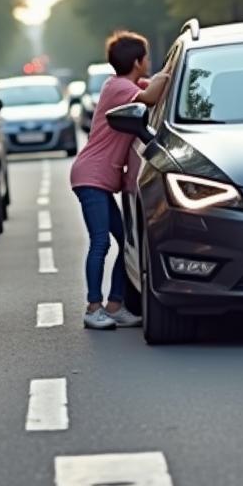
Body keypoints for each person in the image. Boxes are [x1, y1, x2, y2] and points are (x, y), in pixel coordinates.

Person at [69, 31, 171, 330]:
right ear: (138, 61)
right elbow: (152, 95)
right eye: (147, 58)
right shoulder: (118, 88)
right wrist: (169, 69)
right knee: (100, 242)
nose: (149, 63)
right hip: (91, 176)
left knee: (125, 242)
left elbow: (152, 90)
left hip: (99, 176)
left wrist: (162, 77)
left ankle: (114, 305)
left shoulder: (121, 84)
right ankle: (93, 307)